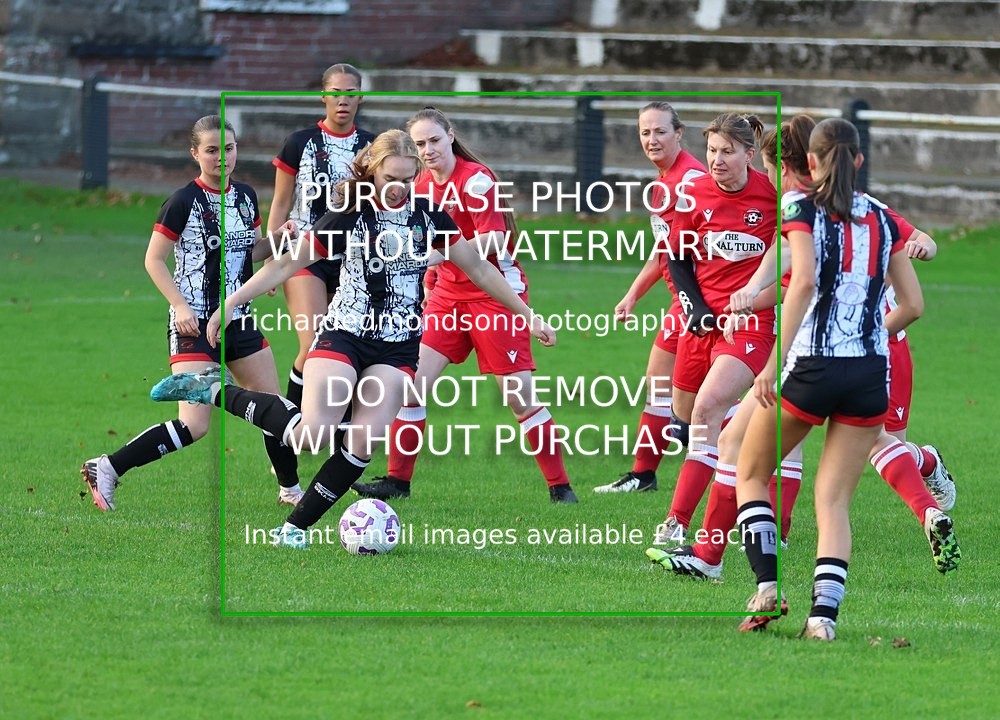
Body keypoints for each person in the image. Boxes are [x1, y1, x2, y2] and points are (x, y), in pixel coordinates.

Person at [149, 129, 557, 546]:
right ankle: (212, 390)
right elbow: (288, 263)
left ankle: (293, 530)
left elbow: (481, 268)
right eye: (389, 179)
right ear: (372, 171)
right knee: (310, 435)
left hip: (398, 346)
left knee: (361, 444)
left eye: (406, 179)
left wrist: (529, 316)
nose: (398, 189)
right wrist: (233, 300)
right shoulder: (349, 212)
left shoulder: (429, 214)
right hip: (344, 334)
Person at [734, 118, 926, 640]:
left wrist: (773, 366)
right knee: (834, 500)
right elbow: (913, 306)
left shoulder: (799, 207)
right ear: (859, 161)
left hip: (813, 366)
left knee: (750, 472)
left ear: (811, 163)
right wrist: (867, 336)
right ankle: (822, 622)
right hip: (868, 373)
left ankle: (767, 589)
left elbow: (801, 286)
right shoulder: (884, 219)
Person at [351, 107, 578, 503]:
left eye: (434, 140)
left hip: (495, 296)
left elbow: (491, 242)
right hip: (447, 298)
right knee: (410, 386)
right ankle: (397, 481)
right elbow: (423, 241)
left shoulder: (476, 181)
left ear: (451, 136)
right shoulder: (418, 185)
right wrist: (427, 285)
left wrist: (437, 258)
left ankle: (560, 487)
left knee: (519, 397)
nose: (428, 149)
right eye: (420, 144)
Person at [81, 115, 298, 509]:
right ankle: (108, 466)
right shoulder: (182, 201)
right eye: (212, 150)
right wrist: (179, 305)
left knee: (274, 406)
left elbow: (246, 254)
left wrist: (277, 241)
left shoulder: (246, 196)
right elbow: (153, 260)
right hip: (193, 321)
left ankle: (291, 492)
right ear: (195, 153)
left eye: (228, 149)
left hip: (238, 317)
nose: (221, 158)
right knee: (195, 425)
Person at [638, 113, 777, 547]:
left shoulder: (772, 198)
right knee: (687, 419)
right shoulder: (692, 192)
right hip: (700, 323)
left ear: (749, 155)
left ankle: (677, 522)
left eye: (727, 152)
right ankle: (747, 423)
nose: (716, 160)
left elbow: (790, 262)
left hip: (751, 324)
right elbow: (676, 259)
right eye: (712, 151)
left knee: (705, 410)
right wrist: (692, 307)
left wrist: (754, 300)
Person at [592, 102, 706, 494]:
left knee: (691, 404)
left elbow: (694, 251)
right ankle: (644, 475)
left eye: (660, 131)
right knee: (662, 388)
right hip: (684, 302)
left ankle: (734, 471)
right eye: (645, 132)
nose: (652, 139)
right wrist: (633, 294)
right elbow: (666, 251)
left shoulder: (690, 180)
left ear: (679, 133)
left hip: (701, 302)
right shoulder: (665, 182)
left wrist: (699, 304)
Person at [268, 63, 375, 420]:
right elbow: (281, 203)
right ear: (323, 96)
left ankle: (337, 439)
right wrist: (273, 257)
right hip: (305, 255)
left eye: (349, 93)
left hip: (352, 259)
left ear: (360, 97)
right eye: (335, 93)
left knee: (342, 350)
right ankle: (289, 431)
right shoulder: (299, 142)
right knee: (314, 344)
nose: (342, 100)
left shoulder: (372, 146)